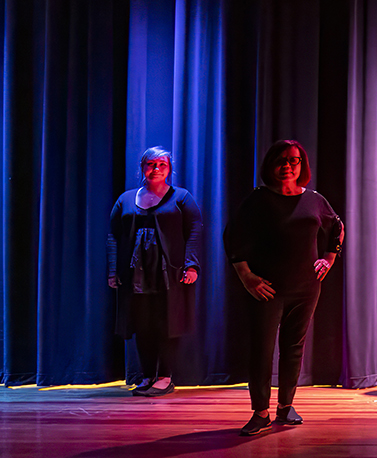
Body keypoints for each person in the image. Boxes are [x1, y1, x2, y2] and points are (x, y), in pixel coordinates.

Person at [227, 140, 344, 436]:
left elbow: (336, 227)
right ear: (270, 165)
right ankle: (261, 412)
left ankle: (285, 406)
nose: (287, 166)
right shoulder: (258, 199)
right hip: (266, 288)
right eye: (281, 160)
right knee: (262, 350)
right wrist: (246, 276)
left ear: (302, 165)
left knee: (293, 348)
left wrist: (329, 258)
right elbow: (233, 236)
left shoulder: (315, 200)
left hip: (306, 288)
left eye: (294, 160)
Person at [107, 146, 204, 398]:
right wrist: (113, 269)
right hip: (136, 274)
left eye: (162, 164)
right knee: (142, 324)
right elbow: (113, 235)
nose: (156, 169)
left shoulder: (181, 197)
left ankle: (165, 376)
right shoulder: (126, 199)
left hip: (168, 273)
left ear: (169, 169)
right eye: (151, 164)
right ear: (142, 168)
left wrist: (191, 264)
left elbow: (195, 229)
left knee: (167, 322)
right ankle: (148, 374)